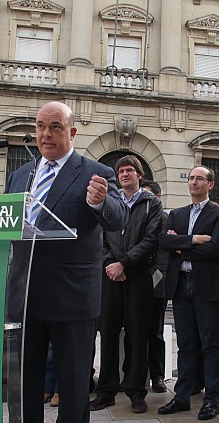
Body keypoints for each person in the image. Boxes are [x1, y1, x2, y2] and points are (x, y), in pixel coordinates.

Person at [3, 101, 128, 423]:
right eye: (40, 126)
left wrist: (100, 202)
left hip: (72, 298)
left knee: (72, 386)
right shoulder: (19, 176)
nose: (46, 134)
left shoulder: (95, 173)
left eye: (55, 127)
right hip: (24, 296)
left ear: (72, 132)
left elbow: (118, 219)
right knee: (25, 382)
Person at [90, 156, 163, 414]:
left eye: (129, 170)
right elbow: (100, 236)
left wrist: (125, 264)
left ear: (139, 175)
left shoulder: (152, 203)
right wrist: (111, 264)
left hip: (138, 276)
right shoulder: (110, 201)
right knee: (108, 334)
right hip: (110, 276)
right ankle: (106, 391)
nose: (124, 174)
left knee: (138, 336)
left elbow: (151, 239)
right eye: (120, 171)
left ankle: (136, 392)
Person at [158, 166, 219, 421]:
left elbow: (216, 247)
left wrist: (181, 245)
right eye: (191, 178)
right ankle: (181, 396)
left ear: (210, 184)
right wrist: (193, 240)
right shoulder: (177, 214)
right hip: (181, 285)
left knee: (211, 344)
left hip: (207, 286)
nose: (193, 182)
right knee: (186, 344)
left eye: (199, 178)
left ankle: (211, 398)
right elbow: (164, 241)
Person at [140, 179, 169, 393]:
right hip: (133, 280)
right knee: (134, 332)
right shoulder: (132, 216)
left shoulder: (166, 220)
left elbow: (165, 253)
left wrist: (157, 276)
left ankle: (157, 376)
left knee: (156, 333)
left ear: (157, 198)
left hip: (156, 282)